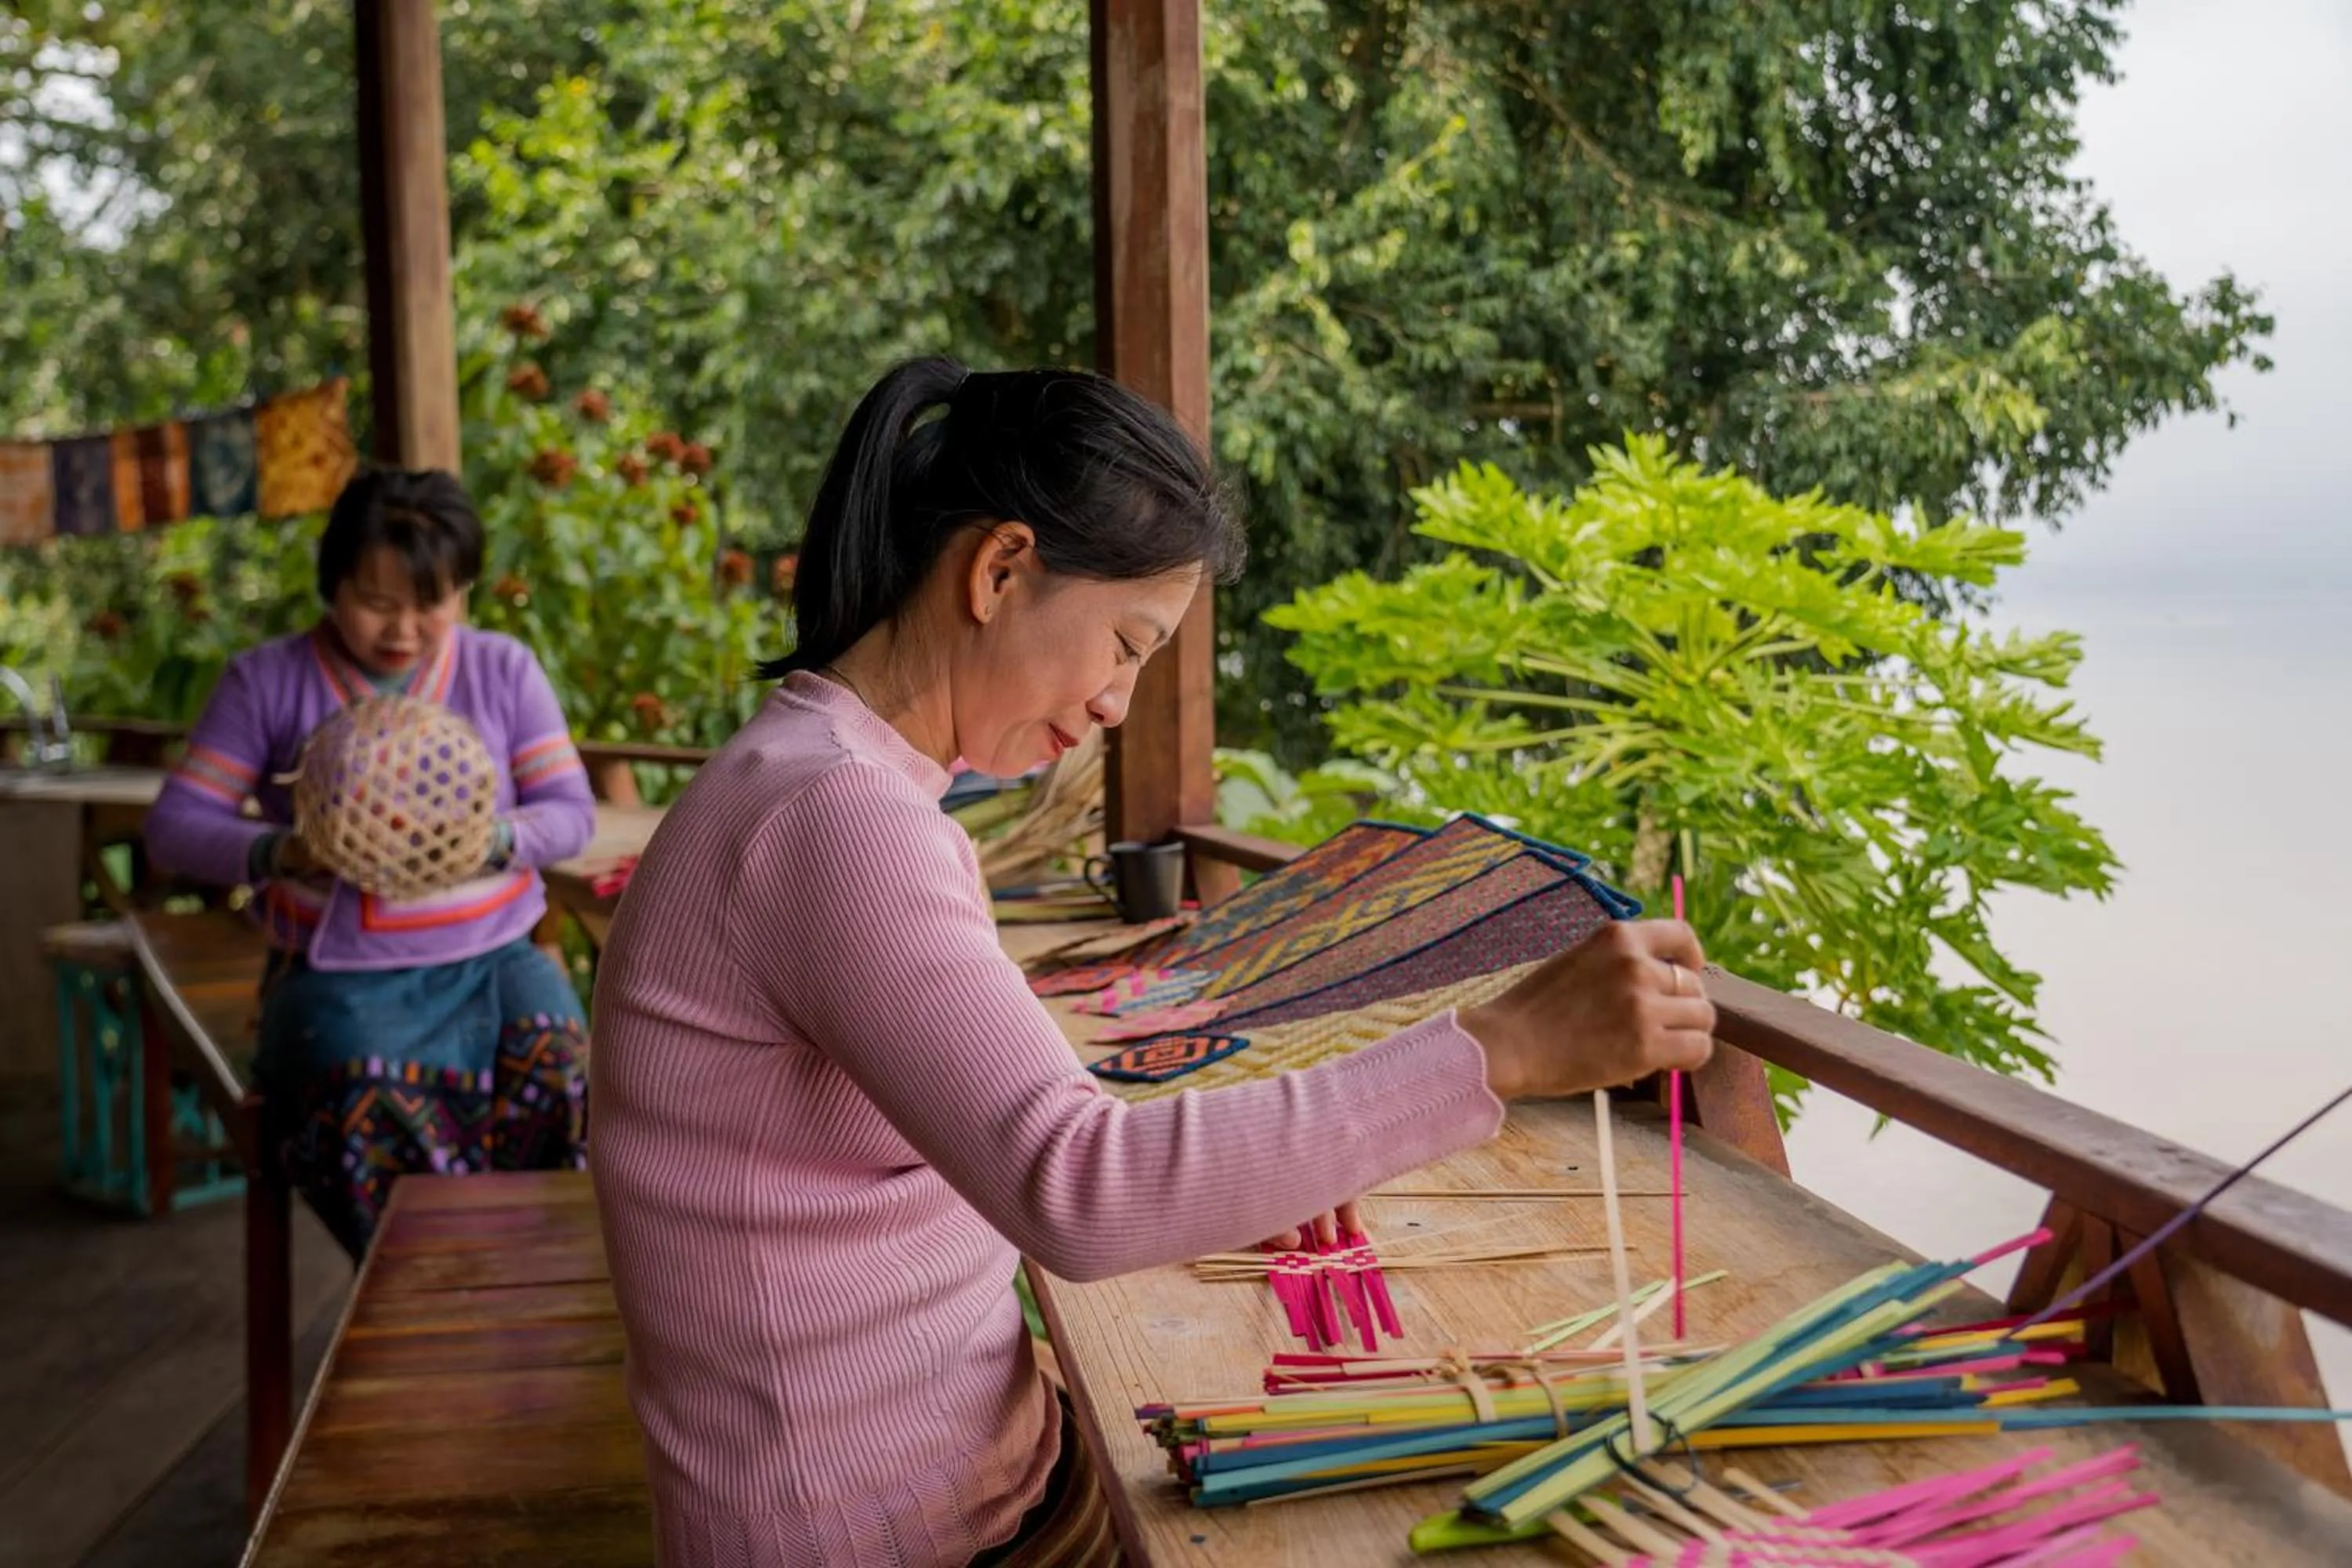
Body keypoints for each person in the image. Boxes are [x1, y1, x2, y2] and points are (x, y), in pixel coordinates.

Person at [588, 359, 1716, 1567]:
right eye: (1126, 645)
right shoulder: (838, 822)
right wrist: (1507, 1047)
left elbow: (1009, 1120)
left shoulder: (827, 783)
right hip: (871, 1528)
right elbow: (1078, 1187)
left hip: (913, 1487)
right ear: (1000, 568)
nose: (1121, 705)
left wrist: (1267, 1159)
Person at [145, 468, 596, 1258]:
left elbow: (570, 812)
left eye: (432, 601)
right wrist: (278, 850)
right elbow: (176, 826)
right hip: (336, 976)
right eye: (376, 600)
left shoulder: (502, 669)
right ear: (332, 584)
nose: (405, 628)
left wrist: (490, 840)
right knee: (359, 1084)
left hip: (492, 958)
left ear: (462, 591)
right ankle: (416, 1281)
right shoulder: (268, 680)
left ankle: (528, 1272)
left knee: (557, 1057)